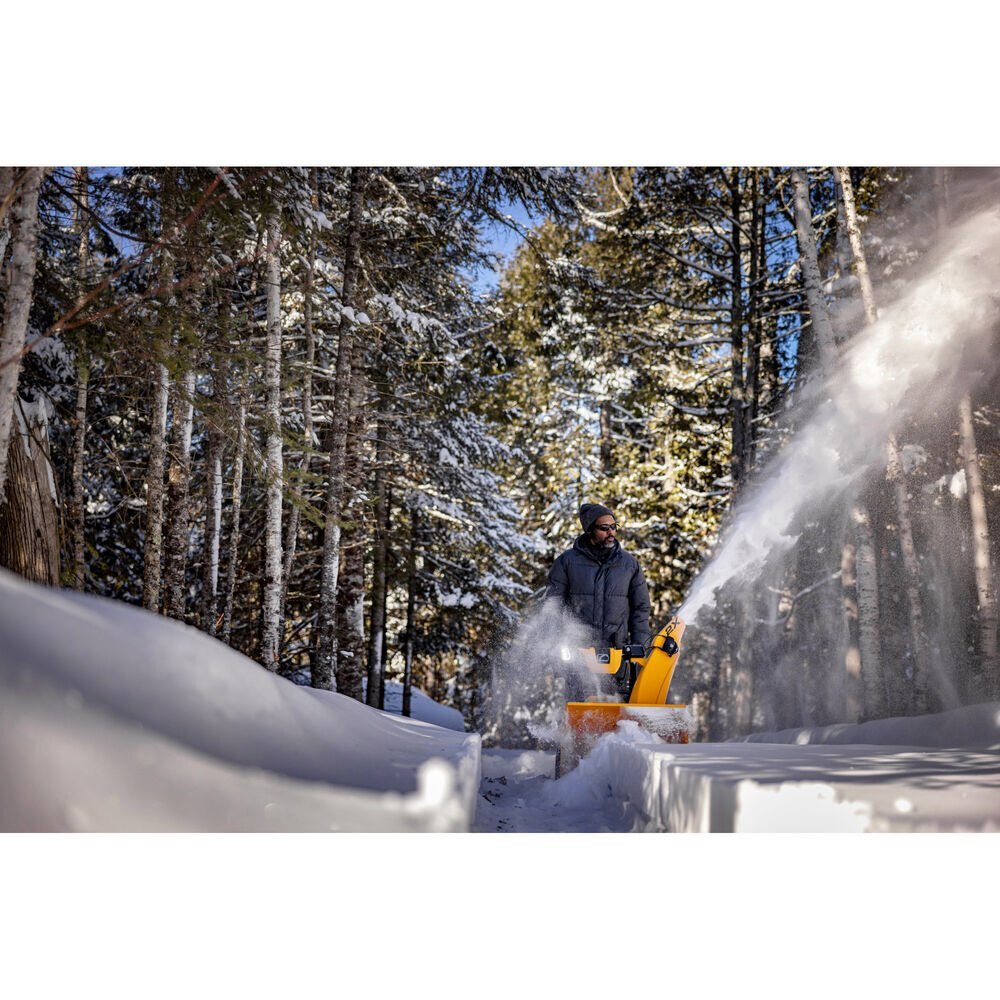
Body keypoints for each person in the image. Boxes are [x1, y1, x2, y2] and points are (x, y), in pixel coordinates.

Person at [546, 503, 653, 699]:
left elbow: (641, 609)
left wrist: (640, 647)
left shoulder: (629, 565)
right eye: (604, 528)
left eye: (614, 527)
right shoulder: (566, 562)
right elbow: (553, 608)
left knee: (618, 711)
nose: (611, 532)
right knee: (581, 710)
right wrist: (558, 652)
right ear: (589, 530)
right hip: (579, 656)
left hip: (618, 656)